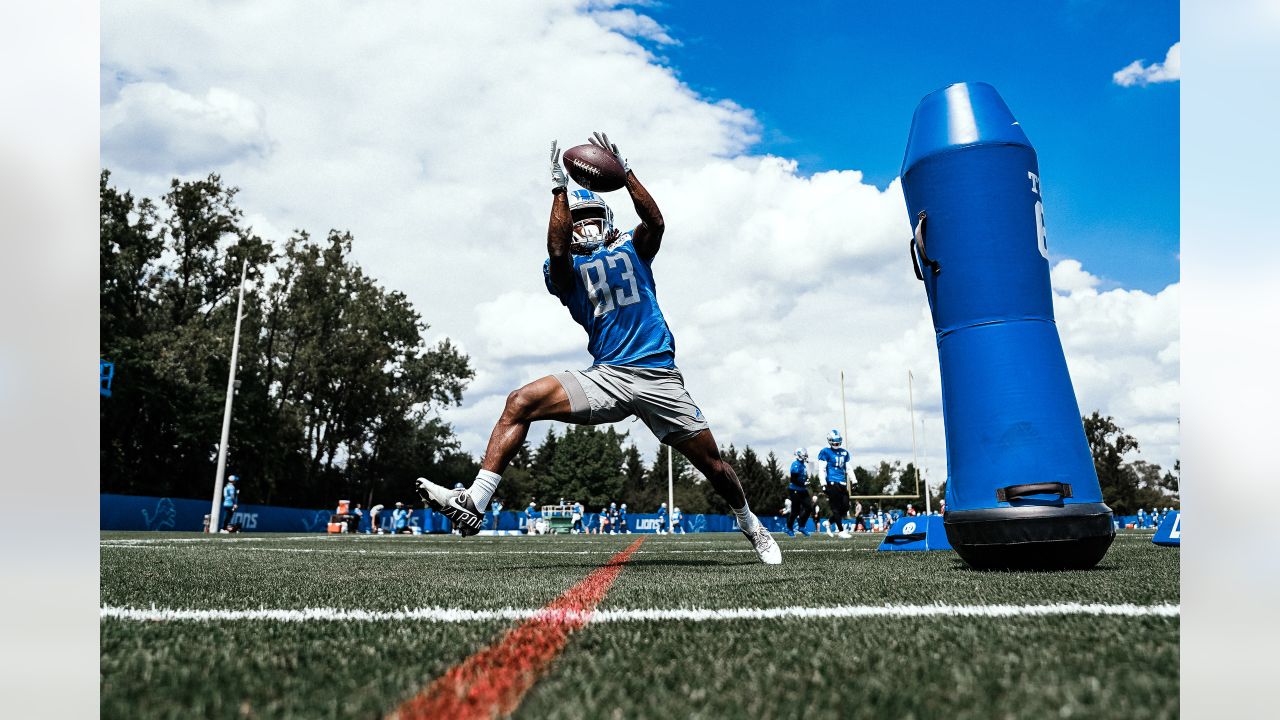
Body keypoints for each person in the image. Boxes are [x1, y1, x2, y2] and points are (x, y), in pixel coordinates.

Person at [416, 133, 779, 564]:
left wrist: (626, 175)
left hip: (658, 374)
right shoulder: (564, 269)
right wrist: (558, 192)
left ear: (606, 218)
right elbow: (555, 247)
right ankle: (475, 501)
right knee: (520, 401)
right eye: (576, 218)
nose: (582, 225)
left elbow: (657, 224)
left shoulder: (632, 247)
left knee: (715, 466)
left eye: (590, 216)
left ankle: (749, 523)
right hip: (608, 375)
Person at [817, 429, 853, 538]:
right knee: (836, 508)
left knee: (845, 507)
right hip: (832, 483)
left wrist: (854, 480)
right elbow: (821, 469)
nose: (836, 443)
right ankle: (841, 531)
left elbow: (848, 468)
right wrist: (823, 483)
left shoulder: (844, 452)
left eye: (838, 441)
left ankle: (828, 522)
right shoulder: (825, 452)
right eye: (834, 441)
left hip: (842, 483)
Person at [786, 448, 814, 537]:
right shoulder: (795, 464)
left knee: (809, 507)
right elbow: (793, 479)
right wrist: (803, 482)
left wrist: (806, 480)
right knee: (795, 511)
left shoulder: (803, 465)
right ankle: (789, 528)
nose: (805, 457)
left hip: (802, 489)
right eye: (804, 455)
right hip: (795, 489)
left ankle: (801, 526)